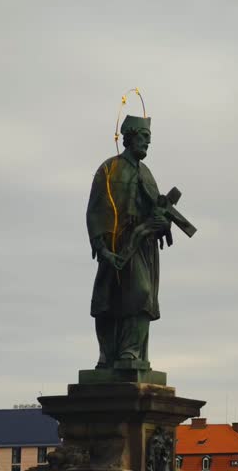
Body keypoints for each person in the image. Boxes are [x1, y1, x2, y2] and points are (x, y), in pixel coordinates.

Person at [86, 115, 171, 369]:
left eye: (149, 139)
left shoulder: (147, 173)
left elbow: (157, 211)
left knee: (142, 294)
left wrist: (162, 225)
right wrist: (101, 248)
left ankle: (130, 353)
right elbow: (94, 210)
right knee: (108, 300)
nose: (147, 143)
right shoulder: (109, 169)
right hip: (116, 243)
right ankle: (108, 354)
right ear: (130, 136)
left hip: (142, 245)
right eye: (144, 138)